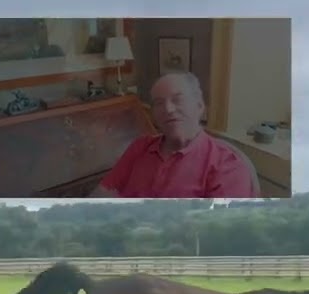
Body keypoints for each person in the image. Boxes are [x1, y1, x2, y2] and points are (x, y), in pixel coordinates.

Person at [92, 71, 257, 198]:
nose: (168, 109)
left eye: (178, 100)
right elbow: (101, 194)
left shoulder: (227, 165)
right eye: (159, 103)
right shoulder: (140, 147)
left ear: (199, 106)